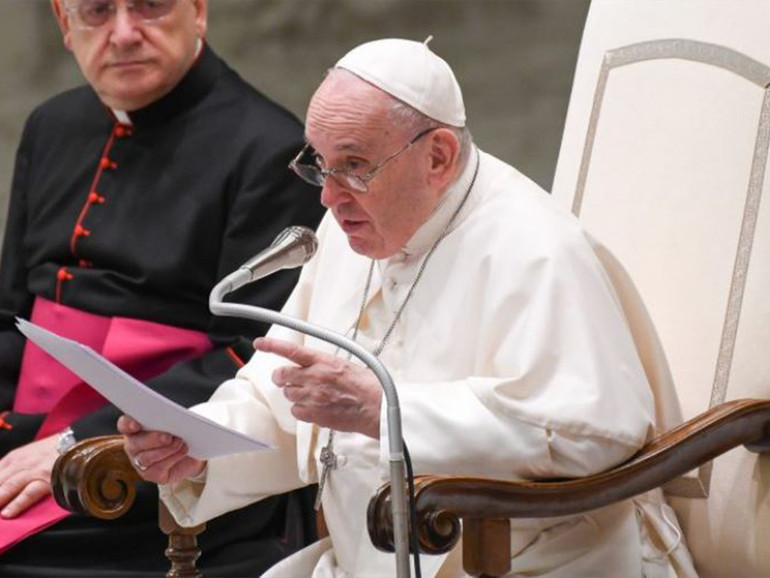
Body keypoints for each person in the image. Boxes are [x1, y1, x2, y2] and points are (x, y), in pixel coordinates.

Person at [121, 38, 698, 577]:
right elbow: (281, 398)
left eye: (353, 165)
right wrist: (196, 446)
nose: (327, 196)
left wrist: (385, 411)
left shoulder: (536, 249)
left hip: (528, 560)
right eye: (318, 163)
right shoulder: (353, 227)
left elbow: (590, 433)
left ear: (439, 157)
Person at [0, 0, 325, 575]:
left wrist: (77, 439)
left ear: (198, 11)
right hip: (26, 435)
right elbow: (10, 317)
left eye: (149, 6)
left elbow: (251, 356)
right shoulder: (51, 125)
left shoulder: (271, 149)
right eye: (97, 11)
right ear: (63, 24)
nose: (123, 34)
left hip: (150, 463)